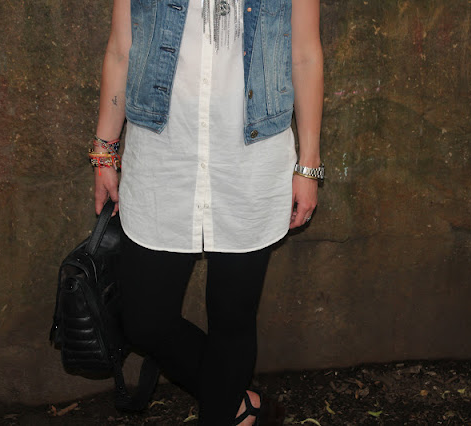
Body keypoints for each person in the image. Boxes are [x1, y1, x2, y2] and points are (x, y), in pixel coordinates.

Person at [90, 0, 323, 424]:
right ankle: (239, 404)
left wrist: (308, 165)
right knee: (144, 320)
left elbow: (305, 55)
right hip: (163, 159)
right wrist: (104, 151)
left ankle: (225, 411)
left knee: (232, 320)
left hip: (249, 164)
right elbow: (121, 49)